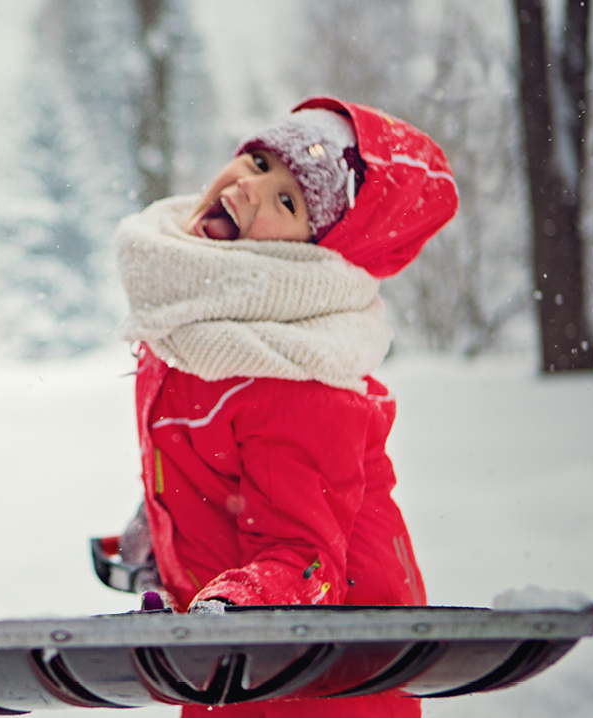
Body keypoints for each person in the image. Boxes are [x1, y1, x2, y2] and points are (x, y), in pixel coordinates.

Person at [114, 97, 458, 716]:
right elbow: (212, 456)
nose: (249, 189)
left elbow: (306, 560)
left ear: (312, 252)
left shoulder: (294, 369)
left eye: (288, 202)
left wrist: (226, 610)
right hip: (234, 671)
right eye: (256, 160)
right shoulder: (198, 320)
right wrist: (156, 526)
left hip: (325, 682)